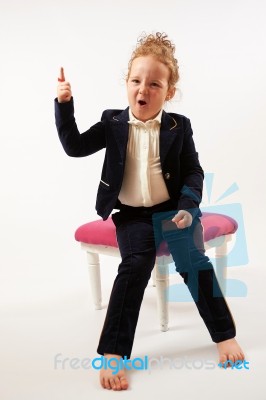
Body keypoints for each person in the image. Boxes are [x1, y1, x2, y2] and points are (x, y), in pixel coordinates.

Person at [55, 32, 245, 391]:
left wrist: (189, 206)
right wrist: (65, 105)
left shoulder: (179, 126)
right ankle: (114, 352)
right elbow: (74, 147)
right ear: (127, 84)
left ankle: (224, 334)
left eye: (154, 84)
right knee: (134, 266)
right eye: (136, 81)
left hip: (175, 212)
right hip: (132, 216)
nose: (143, 89)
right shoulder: (112, 123)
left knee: (194, 264)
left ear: (168, 92)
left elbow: (193, 170)